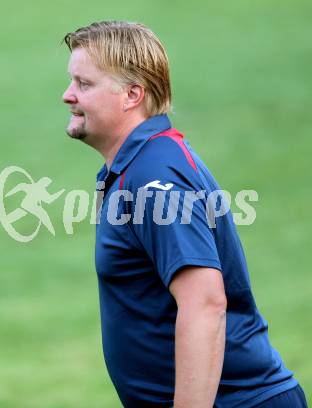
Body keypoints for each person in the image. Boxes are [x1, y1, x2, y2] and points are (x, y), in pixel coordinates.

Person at [61, 21, 308, 408]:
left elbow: (205, 303)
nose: (67, 95)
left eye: (84, 84)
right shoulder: (137, 167)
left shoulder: (154, 176)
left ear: (132, 95)